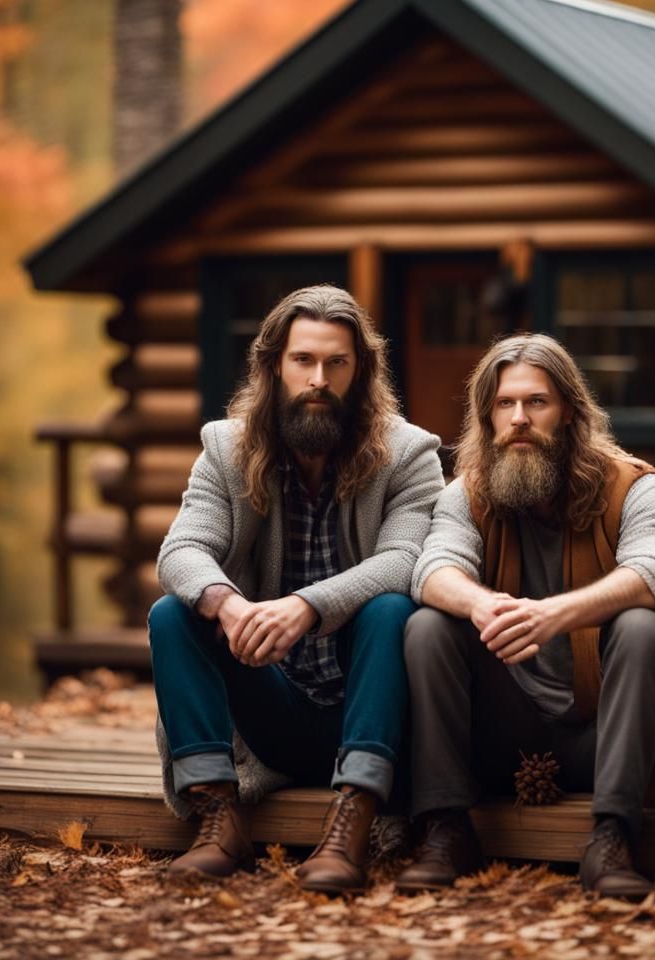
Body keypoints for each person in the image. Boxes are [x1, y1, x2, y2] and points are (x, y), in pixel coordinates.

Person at [397, 333, 655, 900]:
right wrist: (481, 603)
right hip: (503, 738)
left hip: (606, 738)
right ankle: (447, 830)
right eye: (505, 405)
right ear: (487, 417)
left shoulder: (634, 486)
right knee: (428, 622)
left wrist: (556, 614)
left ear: (570, 412)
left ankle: (613, 837)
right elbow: (431, 571)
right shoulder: (469, 492)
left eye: (537, 403)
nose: (520, 419)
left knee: (643, 624)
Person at [148, 285, 444, 892]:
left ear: (359, 371)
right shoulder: (225, 450)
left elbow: (408, 560)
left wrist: (308, 607)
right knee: (173, 614)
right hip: (271, 706)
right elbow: (180, 551)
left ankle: (352, 824)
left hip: (373, 713)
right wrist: (227, 604)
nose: (318, 379)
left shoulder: (409, 453)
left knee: (393, 608)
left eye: (336, 363)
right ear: (273, 366)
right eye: (303, 361)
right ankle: (218, 816)